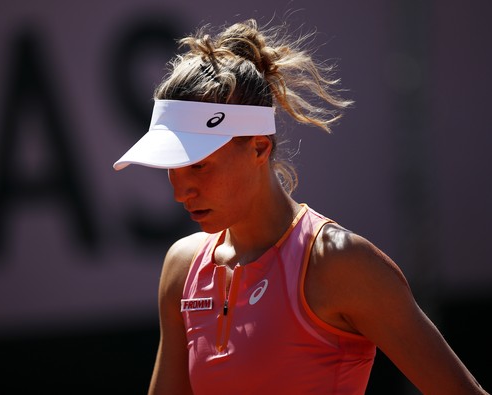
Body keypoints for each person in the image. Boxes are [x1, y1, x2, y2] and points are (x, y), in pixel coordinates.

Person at [113, 18, 488, 395]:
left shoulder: (342, 263)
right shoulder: (182, 267)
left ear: (259, 147)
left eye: (198, 165)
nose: (181, 192)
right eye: (172, 168)